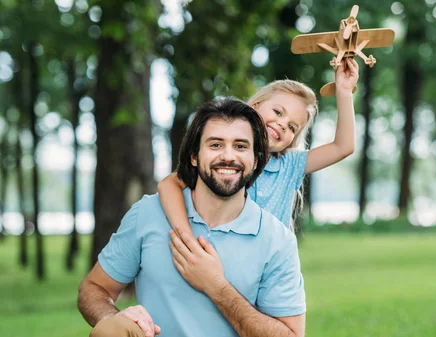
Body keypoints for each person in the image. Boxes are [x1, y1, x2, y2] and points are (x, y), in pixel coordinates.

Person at [78, 98, 306, 337]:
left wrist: (216, 286)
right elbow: (94, 288)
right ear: (194, 157)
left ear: (256, 160)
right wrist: (113, 317)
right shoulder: (148, 214)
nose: (228, 156)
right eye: (216, 145)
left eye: (240, 146)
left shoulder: (276, 240)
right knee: (109, 333)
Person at [158, 58, 359, 232]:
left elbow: (343, 146)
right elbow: (169, 184)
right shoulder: (226, 159)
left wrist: (344, 91)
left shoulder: (289, 166)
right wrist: (183, 232)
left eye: (291, 127)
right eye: (278, 112)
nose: (281, 124)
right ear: (254, 107)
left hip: (271, 269)